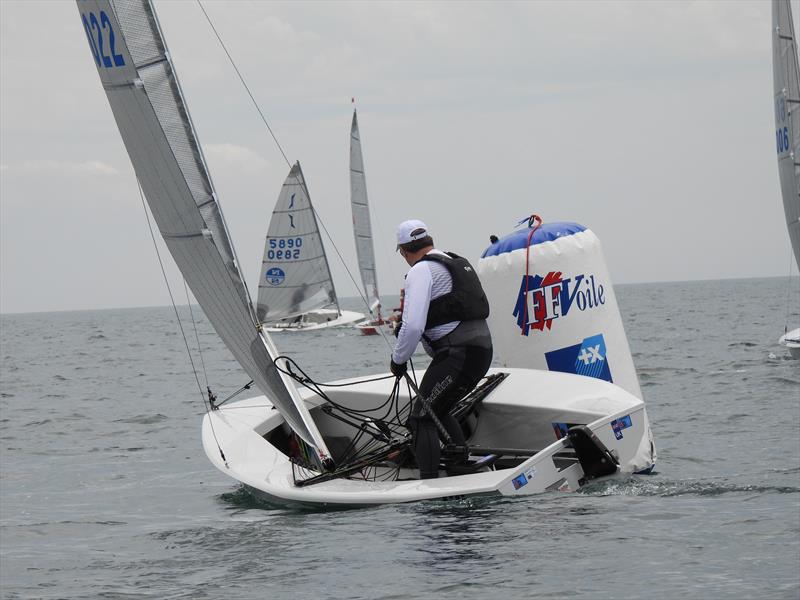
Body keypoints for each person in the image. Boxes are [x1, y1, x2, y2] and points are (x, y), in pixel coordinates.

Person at [389, 219, 493, 479]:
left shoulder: (420, 271)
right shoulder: (451, 261)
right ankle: (462, 468)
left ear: (403, 250)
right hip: (481, 351)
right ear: (429, 241)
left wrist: (398, 359)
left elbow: (412, 326)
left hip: (458, 355)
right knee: (438, 410)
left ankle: (429, 484)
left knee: (421, 418)